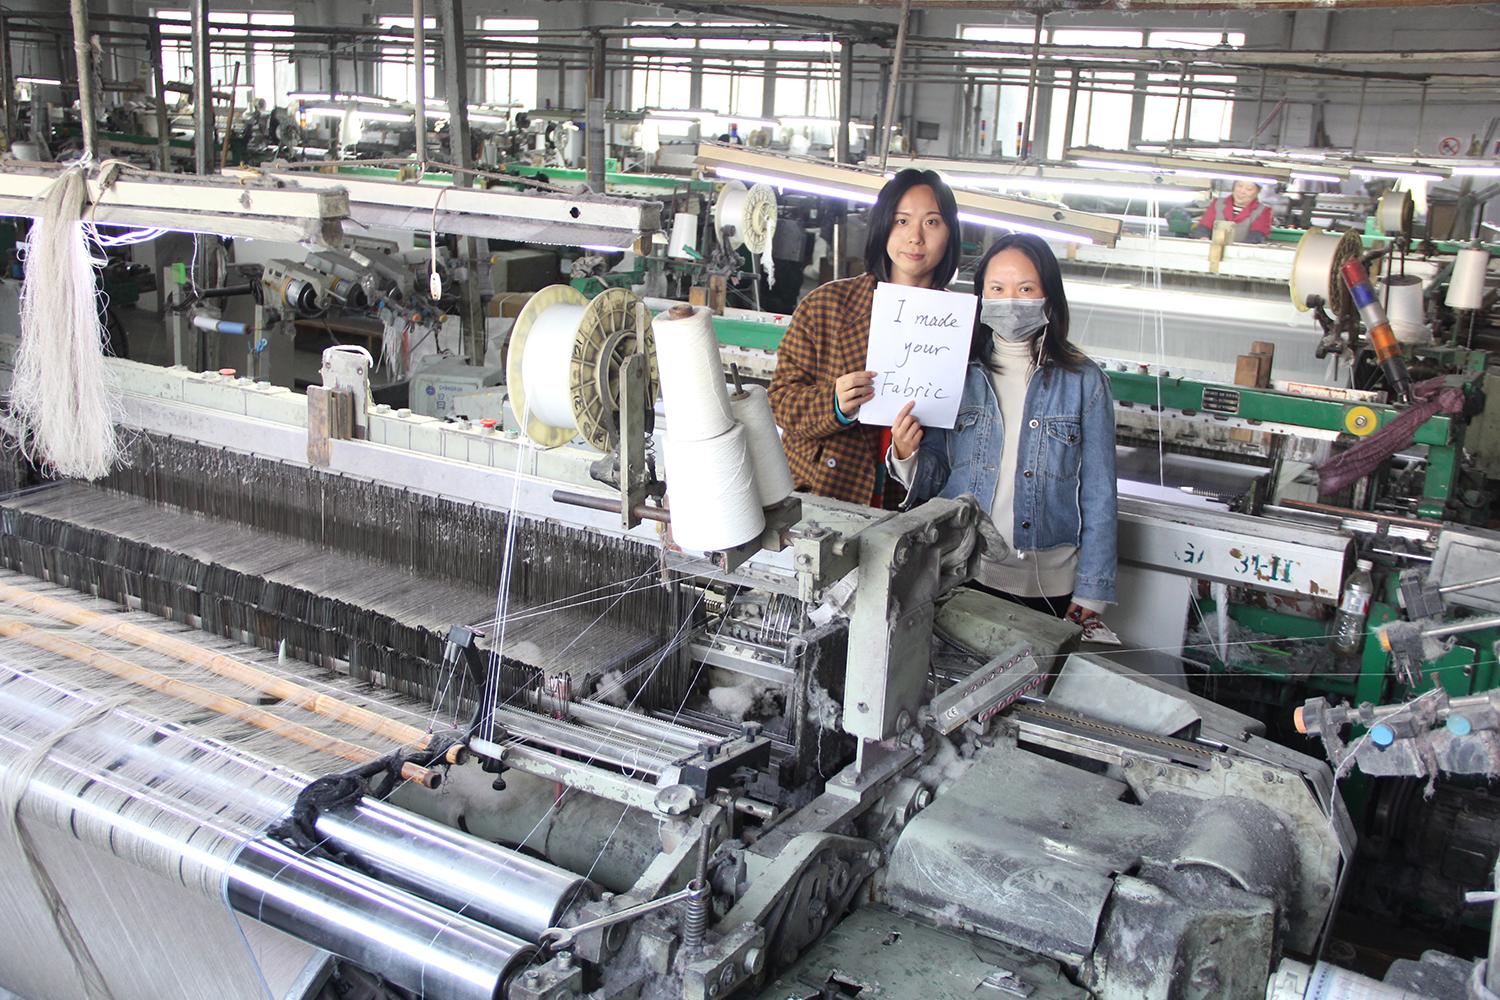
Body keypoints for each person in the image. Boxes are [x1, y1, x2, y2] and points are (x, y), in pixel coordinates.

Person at [887, 233, 1117, 626]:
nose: (1010, 299)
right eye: (997, 288)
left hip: (1050, 583)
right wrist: (906, 455)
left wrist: (1093, 587)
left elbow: (1099, 492)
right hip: (962, 569)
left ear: (1049, 297)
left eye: (1025, 288)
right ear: (982, 295)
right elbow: (939, 474)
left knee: (1034, 687)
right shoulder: (956, 371)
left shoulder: (1083, 381)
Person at [768, 168, 962, 507]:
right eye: (902, 221)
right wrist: (834, 405)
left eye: (932, 222)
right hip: (824, 496)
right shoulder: (825, 306)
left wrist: (911, 454)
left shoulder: (962, 328)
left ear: (950, 234)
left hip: (908, 504)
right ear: (883, 226)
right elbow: (780, 403)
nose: (915, 236)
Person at [1188, 179, 1273, 244]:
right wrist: (1203, 238)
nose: (1242, 191)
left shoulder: (1263, 211)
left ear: (1257, 192)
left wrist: (1237, 250)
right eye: (1239, 185)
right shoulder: (1218, 203)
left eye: (1249, 189)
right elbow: (1203, 227)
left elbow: (1257, 235)